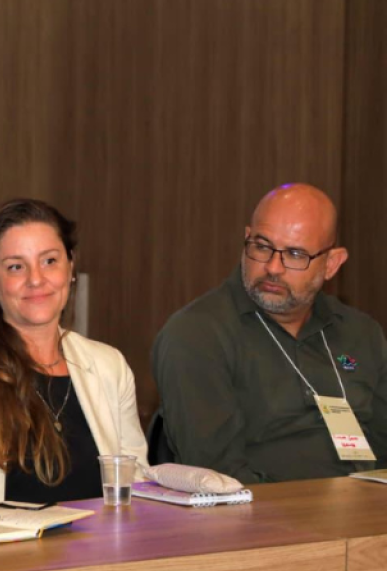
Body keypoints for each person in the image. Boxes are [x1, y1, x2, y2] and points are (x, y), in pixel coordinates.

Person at [152, 183, 387, 483]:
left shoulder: (360, 332)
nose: (274, 267)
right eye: (262, 247)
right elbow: (219, 477)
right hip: (263, 508)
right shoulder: (197, 334)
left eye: (295, 254)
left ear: (331, 264)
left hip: (365, 504)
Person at [0, 199, 148, 504]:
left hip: (100, 537)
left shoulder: (110, 366)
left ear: (71, 267)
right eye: (16, 266)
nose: (36, 279)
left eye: (49, 261)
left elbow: (137, 485)